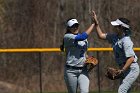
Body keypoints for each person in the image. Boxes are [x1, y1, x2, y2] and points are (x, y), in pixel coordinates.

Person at [92, 11, 140, 93]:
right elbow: (101, 35)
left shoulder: (126, 41)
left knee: (122, 90)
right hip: (124, 68)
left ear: (121, 27)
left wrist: (122, 70)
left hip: (131, 69)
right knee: (126, 91)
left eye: (116, 26)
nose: (114, 27)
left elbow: (131, 58)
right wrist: (96, 23)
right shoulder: (115, 37)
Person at [60, 14, 95, 93]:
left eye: (76, 25)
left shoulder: (84, 39)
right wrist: (93, 24)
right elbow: (82, 37)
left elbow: (84, 53)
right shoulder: (67, 36)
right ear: (68, 28)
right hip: (71, 71)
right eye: (73, 26)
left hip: (83, 70)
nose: (75, 27)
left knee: (85, 91)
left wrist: (88, 59)